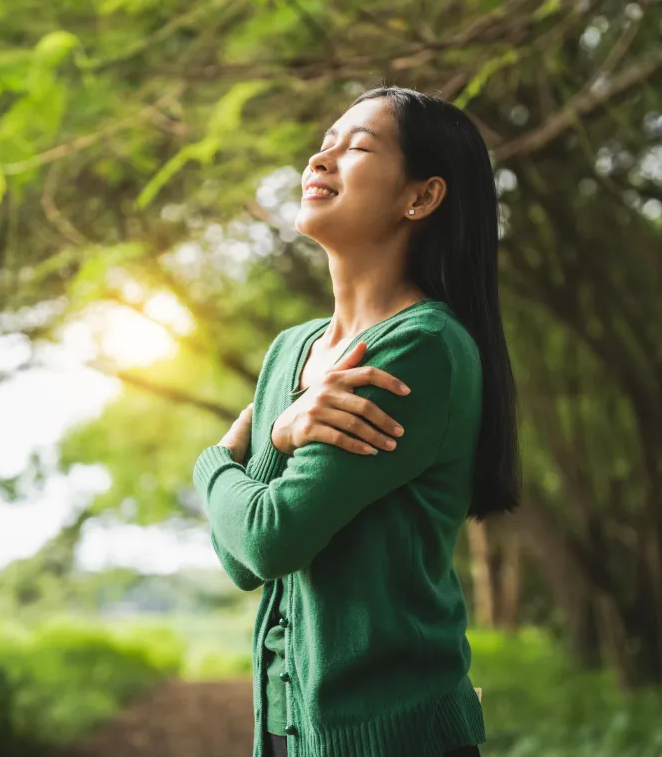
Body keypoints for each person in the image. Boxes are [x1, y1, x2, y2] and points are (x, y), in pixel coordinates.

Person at [191, 85, 521, 757]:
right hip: (284, 731)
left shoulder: (418, 347)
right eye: (325, 141)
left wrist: (210, 463)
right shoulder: (292, 350)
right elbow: (241, 563)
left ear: (421, 197)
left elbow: (268, 537)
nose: (321, 157)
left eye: (357, 145)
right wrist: (279, 434)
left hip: (393, 736)